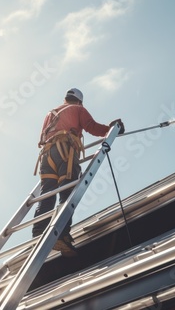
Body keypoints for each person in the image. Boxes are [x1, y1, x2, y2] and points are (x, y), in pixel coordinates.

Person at [32, 88, 124, 257]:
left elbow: (42, 137)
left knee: (47, 193)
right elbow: (91, 127)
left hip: (47, 155)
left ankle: (38, 232)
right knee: (67, 192)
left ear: (66, 99)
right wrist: (111, 130)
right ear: (80, 101)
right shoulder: (78, 109)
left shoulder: (50, 114)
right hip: (65, 151)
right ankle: (61, 234)